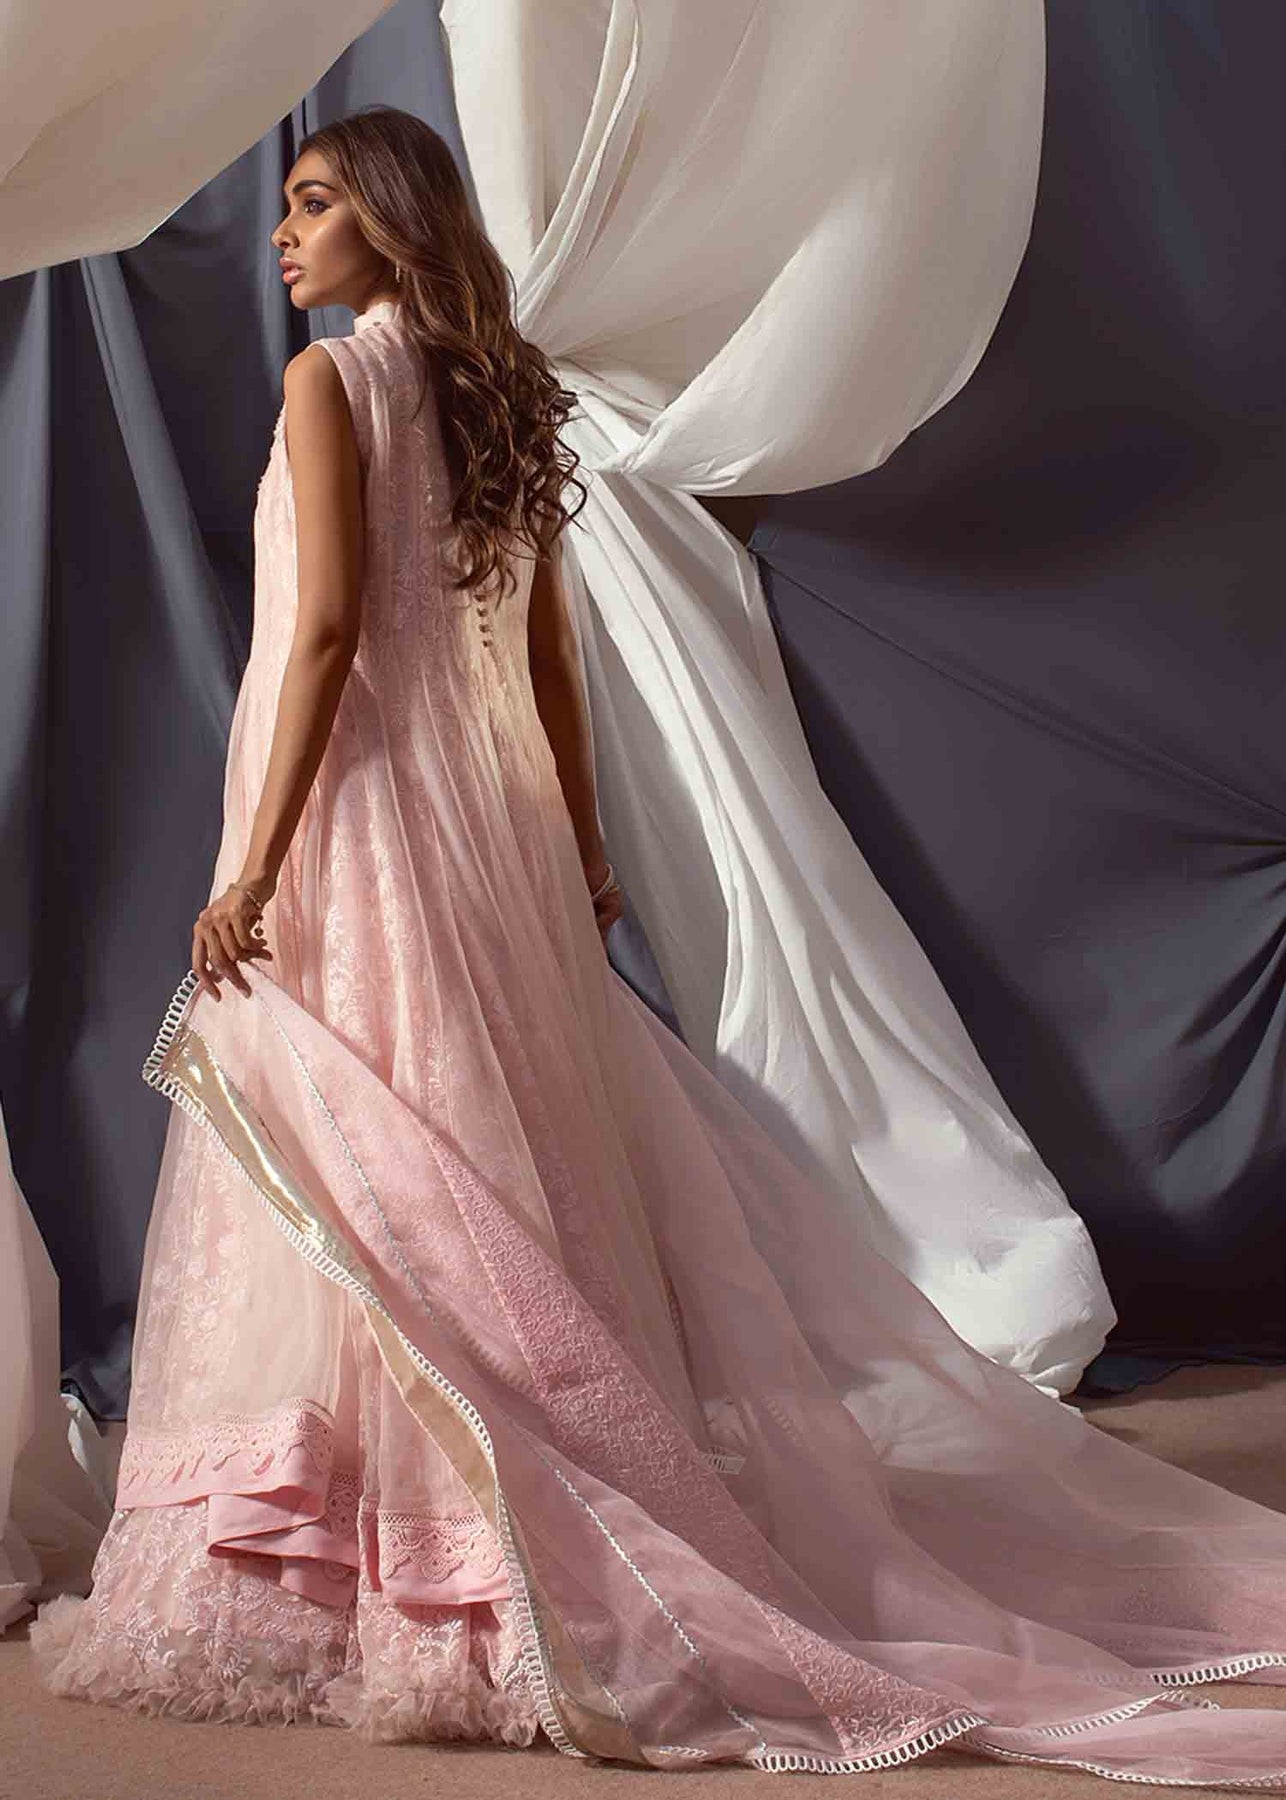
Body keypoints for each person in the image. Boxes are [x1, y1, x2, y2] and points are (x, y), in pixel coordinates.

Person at [27, 106, 1286, 1783]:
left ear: (388, 221)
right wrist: (579, 842)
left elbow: (325, 628)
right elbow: (543, 646)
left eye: (314, 203)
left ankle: (420, 1558)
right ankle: (454, 1533)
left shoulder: (331, 383)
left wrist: (254, 862)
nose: (285, 231)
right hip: (484, 826)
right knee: (471, 1150)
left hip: (361, 815)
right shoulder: (491, 392)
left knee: (372, 1167)